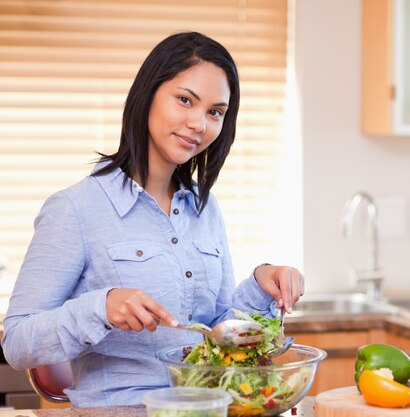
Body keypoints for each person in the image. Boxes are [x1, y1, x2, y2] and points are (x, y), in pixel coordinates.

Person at [0, 31, 304, 406]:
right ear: (147, 96)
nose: (199, 124)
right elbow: (16, 342)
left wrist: (261, 285)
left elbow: (216, 333)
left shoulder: (205, 208)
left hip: (205, 408)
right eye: (184, 100)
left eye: (215, 112)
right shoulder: (76, 208)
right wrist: (101, 307)